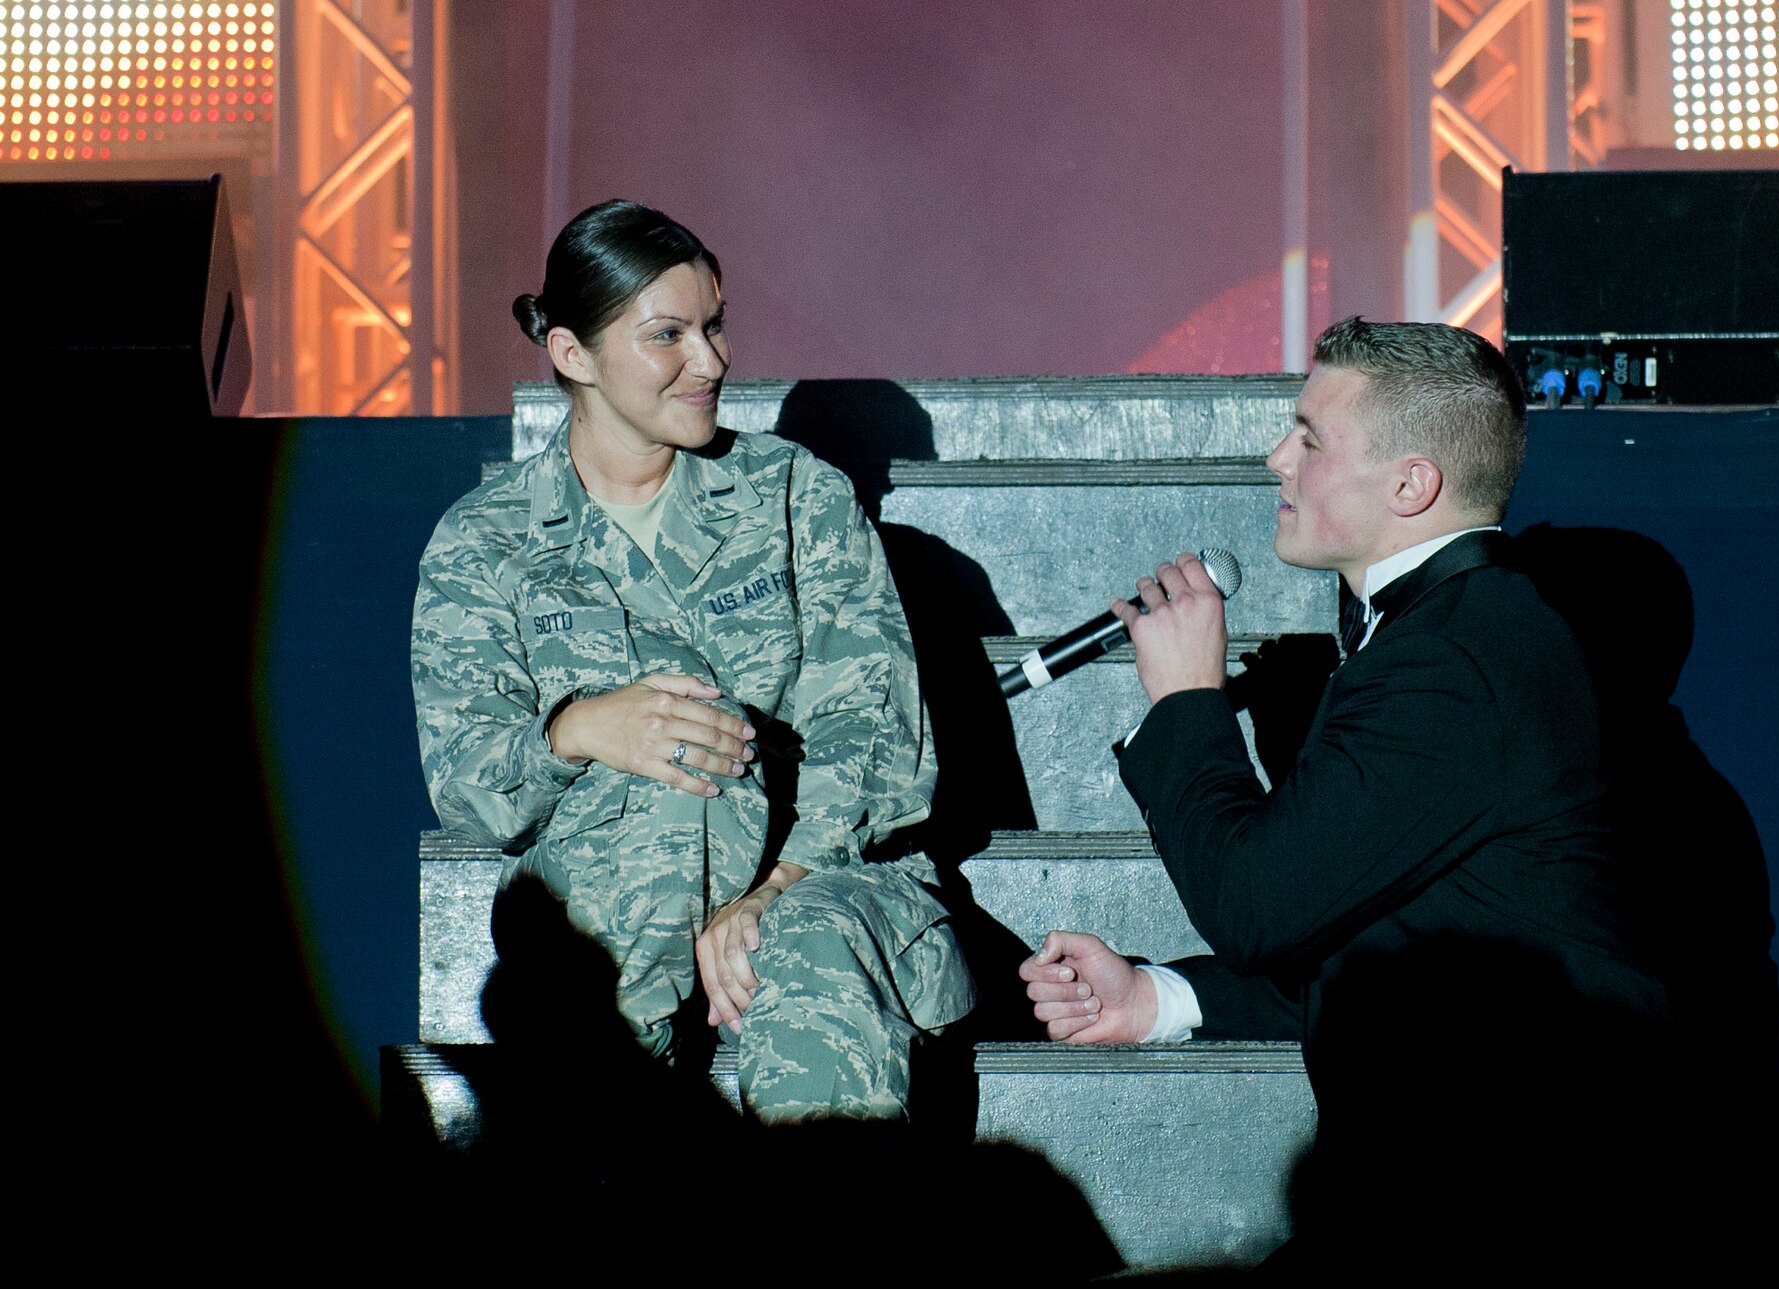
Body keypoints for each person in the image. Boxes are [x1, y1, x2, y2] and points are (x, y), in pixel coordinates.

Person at [1019, 318, 1690, 1279]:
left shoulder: (1453, 663)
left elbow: (1257, 902)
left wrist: (1187, 702)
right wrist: (1159, 996)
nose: (1275, 458)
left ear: (1411, 485)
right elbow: (1390, 932)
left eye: (1310, 437)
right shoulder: (1454, 638)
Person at [413, 200, 973, 1122]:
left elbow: (877, 740)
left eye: (714, 325)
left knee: (809, 946)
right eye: (668, 334)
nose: (711, 361)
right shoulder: (487, 542)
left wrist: (775, 888)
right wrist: (581, 729)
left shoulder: (795, 496)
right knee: (645, 836)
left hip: (828, 880)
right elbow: (470, 786)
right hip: (607, 912)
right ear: (571, 355)